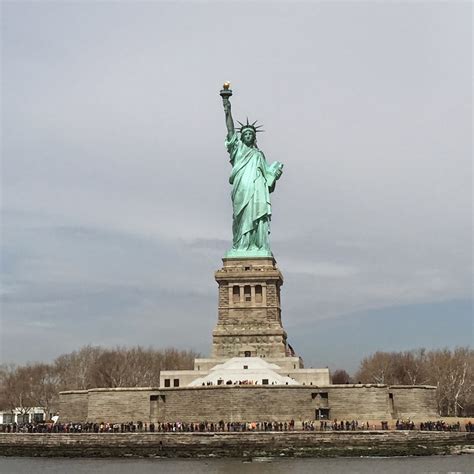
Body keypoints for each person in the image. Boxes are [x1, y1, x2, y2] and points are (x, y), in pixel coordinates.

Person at [222, 93, 283, 255]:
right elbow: (229, 130)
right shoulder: (238, 149)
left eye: (251, 134)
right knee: (241, 217)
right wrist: (227, 107)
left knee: (256, 217)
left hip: (256, 191)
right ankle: (241, 246)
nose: (248, 135)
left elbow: (268, 177)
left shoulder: (258, 155)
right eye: (245, 133)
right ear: (241, 137)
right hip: (241, 188)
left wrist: (275, 174)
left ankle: (256, 245)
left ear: (254, 137)